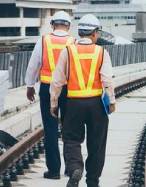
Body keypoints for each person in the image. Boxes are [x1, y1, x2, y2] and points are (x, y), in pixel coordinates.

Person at [50, 14, 116, 187]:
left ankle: (74, 168)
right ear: (94, 33)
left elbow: (57, 80)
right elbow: (107, 79)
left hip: (73, 104)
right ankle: (93, 180)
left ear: (80, 32)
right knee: (97, 143)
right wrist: (112, 100)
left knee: (71, 139)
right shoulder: (101, 52)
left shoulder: (68, 51)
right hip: (96, 105)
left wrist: (54, 103)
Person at [24, 10, 74, 179]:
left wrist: (30, 85)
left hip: (47, 88)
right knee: (69, 128)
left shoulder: (43, 41)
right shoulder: (74, 43)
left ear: (52, 24)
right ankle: (70, 167)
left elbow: (33, 66)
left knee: (50, 129)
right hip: (68, 90)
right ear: (69, 26)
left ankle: (53, 171)